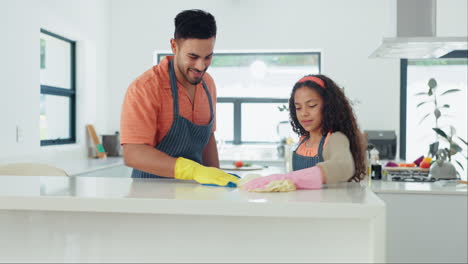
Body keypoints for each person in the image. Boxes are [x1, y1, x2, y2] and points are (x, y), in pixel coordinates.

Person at [120, 9, 238, 187]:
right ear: (174, 46)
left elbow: (207, 140)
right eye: (193, 56)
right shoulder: (146, 88)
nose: (201, 66)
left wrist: (217, 180)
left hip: (196, 192)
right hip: (150, 193)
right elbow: (133, 153)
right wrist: (193, 170)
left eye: (208, 57)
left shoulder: (207, 84)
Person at [243, 74, 366, 191]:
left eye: (312, 105)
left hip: (327, 210)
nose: (304, 113)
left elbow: (343, 166)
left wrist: (291, 178)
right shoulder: (302, 141)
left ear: (329, 107)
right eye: (298, 107)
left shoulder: (334, 139)